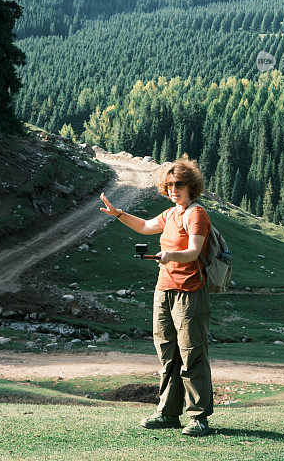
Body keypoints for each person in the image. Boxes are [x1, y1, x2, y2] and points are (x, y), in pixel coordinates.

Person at [100, 155, 213, 437]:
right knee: (167, 352)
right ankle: (167, 413)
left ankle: (199, 417)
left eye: (180, 184)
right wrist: (118, 214)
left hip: (190, 291)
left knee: (192, 353)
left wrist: (170, 255)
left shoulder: (196, 213)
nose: (174, 189)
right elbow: (144, 226)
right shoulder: (172, 213)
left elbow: (194, 252)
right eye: (169, 185)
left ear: (191, 186)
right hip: (163, 289)